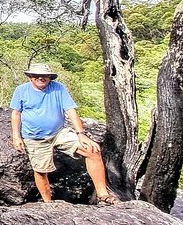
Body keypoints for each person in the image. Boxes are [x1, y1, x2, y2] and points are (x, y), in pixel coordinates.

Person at [10, 63, 120, 205]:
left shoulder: (58, 88)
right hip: (35, 137)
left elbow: (71, 111)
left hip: (58, 132)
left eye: (44, 75)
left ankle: (103, 195)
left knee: (92, 150)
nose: (40, 78)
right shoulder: (21, 90)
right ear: (30, 77)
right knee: (41, 170)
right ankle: (48, 204)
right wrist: (16, 136)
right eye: (36, 75)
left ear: (49, 77)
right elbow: (16, 113)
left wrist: (81, 134)